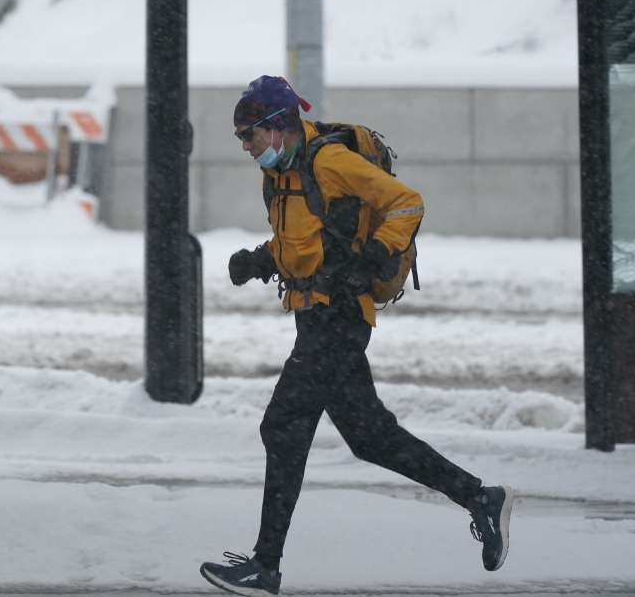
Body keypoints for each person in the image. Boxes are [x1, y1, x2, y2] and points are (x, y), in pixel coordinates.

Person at [199, 76, 513, 597]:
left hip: (340, 317)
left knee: (283, 427)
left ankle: (265, 565)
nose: (245, 147)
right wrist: (259, 260)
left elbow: (407, 203)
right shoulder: (278, 177)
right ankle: (480, 498)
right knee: (370, 437)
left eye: (249, 136)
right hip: (314, 315)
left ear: (278, 127)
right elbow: (299, 244)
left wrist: (377, 255)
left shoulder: (329, 163)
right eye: (240, 139)